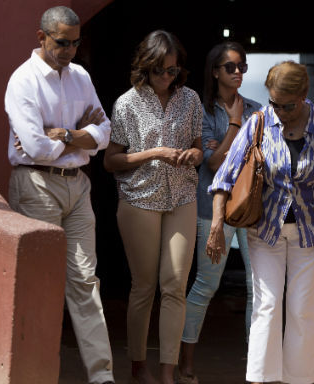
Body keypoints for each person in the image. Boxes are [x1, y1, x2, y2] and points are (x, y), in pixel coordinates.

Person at [207, 61, 314, 384]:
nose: (280, 111)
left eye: (288, 105)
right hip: (265, 231)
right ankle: (261, 379)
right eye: (274, 103)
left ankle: (299, 380)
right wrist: (216, 226)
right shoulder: (258, 123)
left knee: (302, 310)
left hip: (311, 232)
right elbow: (223, 178)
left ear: (304, 95)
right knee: (267, 305)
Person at [5, 6, 114, 384]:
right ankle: (36, 373)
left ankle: (102, 378)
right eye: (61, 42)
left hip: (77, 185)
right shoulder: (23, 81)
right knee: (42, 282)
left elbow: (105, 129)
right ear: (42, 38)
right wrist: (83, 139)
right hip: (37, 185)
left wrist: (66, 135)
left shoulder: (80, 76)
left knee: (86, 282)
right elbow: (35, 147)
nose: (69, 49)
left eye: (75, 42)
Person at [103, 30, 202, 384]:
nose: (166, 77)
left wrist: (194, 154)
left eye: (172, 71)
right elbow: (111, 161)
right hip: (139, 199)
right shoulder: (127, 103)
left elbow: (198, 147)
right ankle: (138, 365)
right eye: (160, 70)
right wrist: (155, 153)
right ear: (146, 67)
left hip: (181, 197)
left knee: (175, 285)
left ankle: (167, 372)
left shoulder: (189, 99)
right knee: (144, 285)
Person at [177, 41, 261, 384]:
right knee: (205, 286)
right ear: (215, 71)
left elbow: (257, 157)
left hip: (251, 204)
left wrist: (226, 146)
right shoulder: (204, 110)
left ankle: (256, 366)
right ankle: (186, 363)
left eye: (242, 66)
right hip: (210, 207)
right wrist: (236, 126)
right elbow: (212, 163)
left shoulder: (258, 109)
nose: (238, 72)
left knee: (258, 288)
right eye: (231, 67)